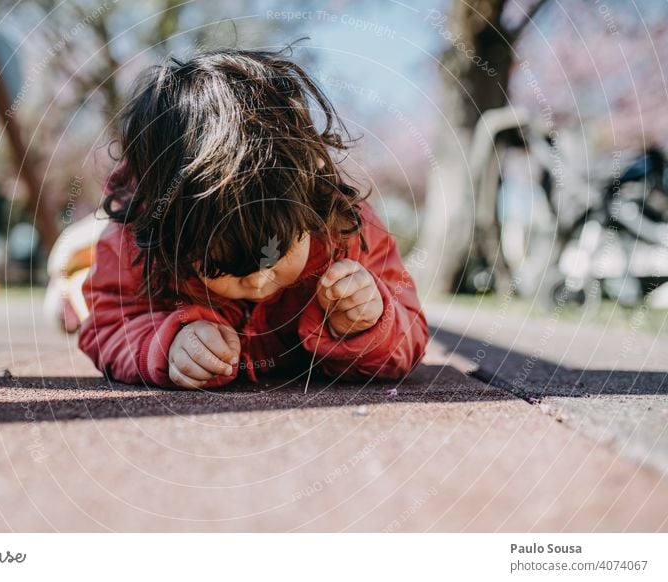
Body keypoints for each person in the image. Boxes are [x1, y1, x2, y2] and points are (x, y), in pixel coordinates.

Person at [77, 47, 428, 389]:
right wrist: (165, 343)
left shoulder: (348, 231)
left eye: (281, 253)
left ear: (307, 199)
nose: (260, 282)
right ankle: (67, 276)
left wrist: (368, 323)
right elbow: (107, 323)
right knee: (77, 275)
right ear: (173, 236)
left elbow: (410, 332)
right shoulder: (137, 238)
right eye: (227, 268)